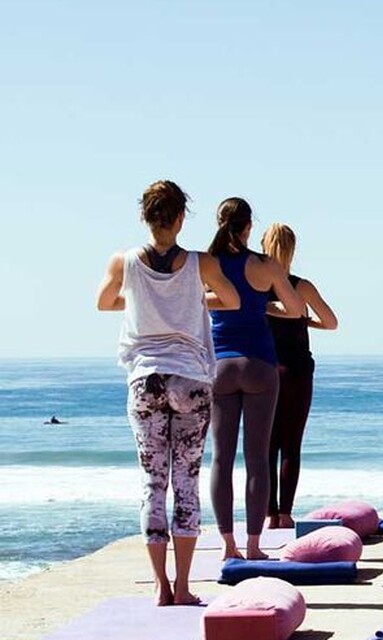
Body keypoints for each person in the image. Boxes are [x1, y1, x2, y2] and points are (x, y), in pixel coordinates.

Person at [96, 180, 241, 605]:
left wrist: (143, 303)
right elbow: (230, 301)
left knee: (153, 484)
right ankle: (183, 587)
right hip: (190, 379)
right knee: (186, 482)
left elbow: (105, 303)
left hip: (145, 379)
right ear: (181, 218)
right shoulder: (201, 263)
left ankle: (160, 586)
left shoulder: (123, 262)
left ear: (145, 216)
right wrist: (194, 299)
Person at [207, 198, 304, 560]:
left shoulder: (208, 263)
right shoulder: (265, 266)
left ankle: (227, 544)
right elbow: (294, 309)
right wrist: (260, 304)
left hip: (219, 365)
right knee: (258, 458)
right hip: (261, 364)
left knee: (221, 459)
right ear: (249, 228)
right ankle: (253, 545)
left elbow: (195, 302)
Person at [260, 223, 339, 530]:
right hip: (298, 371)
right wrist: (305, 321)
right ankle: (286, 513)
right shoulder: (300, 286)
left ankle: (269, 514)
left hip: (266, 369)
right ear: (293, 249)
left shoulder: (257, 288)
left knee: (267, 445)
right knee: (292, 444)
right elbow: (331, 322)